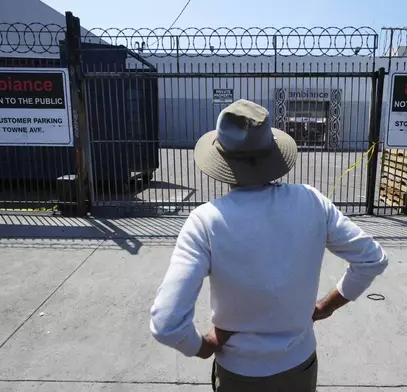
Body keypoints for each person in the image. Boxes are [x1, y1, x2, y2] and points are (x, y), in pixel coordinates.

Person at [150, 99, 388, 392]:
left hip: (239, 373)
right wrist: (326, 307)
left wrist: (203, 346)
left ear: (221, 158)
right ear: (273, 153)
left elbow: (166, 323)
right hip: (299, 366)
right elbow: (372, 259)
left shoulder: (205, 221)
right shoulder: (311, 201)